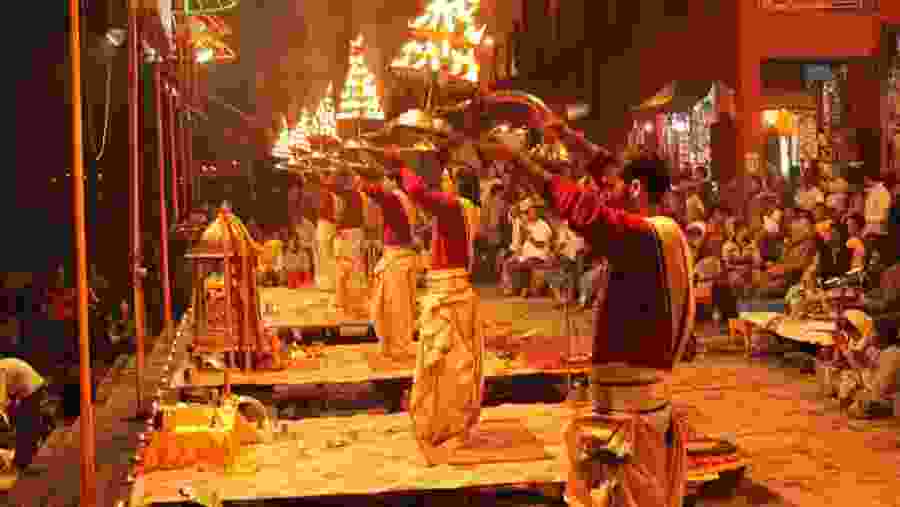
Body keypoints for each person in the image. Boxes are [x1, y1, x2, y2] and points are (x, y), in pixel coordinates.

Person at [491, 128, 693, 507]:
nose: (605, 191)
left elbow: (585, 211)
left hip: (631, 415)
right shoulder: (662, 232)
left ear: (634, 188)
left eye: (612, 186)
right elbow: (609, 172)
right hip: (635, 402)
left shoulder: (646, 237)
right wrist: (567, 135)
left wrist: (520, 161)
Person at [383, 147, 483, 466]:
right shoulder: (464, 208)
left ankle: (445, 425)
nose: (443, 181)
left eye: (447, 177)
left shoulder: (454, 206)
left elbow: (417, 192)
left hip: (449, 296)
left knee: (446, 367)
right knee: (446, 366)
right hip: (452, 292)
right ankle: (444, 422)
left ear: (456, 183)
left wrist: (400, 163)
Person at [357, 168, 419, 359]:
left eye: (385, 180)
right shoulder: (403, 199)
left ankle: (398, 347)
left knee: (394, 307)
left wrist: (362, 183)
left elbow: (378, 195)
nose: (383, 184)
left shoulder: (395, 197)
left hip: (398, 257)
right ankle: (393, 346)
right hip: (398, 256)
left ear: (393, 181)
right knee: (387, 306)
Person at [0, 358, 53, 477]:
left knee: (26, 426)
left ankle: (24, 461)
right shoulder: (3, 367)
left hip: (31, 388)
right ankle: (23, 460)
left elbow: (2, 400)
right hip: (28, 388)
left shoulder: (1, 369)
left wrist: (6, 415)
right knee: (25, 424)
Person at [328, 170, 368, 313]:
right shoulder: (358, 195)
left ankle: (345, 303)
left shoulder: (342, 195)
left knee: (345, 269)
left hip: (347, 233)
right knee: (355, 268)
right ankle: (353, 303)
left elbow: (338, 214)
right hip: (356, 232)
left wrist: (337, 228)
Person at [501, 199, 555, 297]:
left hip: (538, 256)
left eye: (532, 213)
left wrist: (530, 237)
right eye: (528, 213)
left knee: (524, 264)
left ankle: (524, 289)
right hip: (525, 255)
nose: (529, 215)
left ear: (537, 214)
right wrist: (518, 251)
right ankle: (510, 289)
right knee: (508, 263)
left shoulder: (543, 226)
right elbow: (522, 243)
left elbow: (541, 245)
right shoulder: (526, 224)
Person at [314, 171, 338, 291]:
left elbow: (331, 212)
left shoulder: (331, 194)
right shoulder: (326, 193)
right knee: (324, 255)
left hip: (327, 225)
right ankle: (327, 282)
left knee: (327, 254)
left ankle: (330, 283)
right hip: (325, 225)